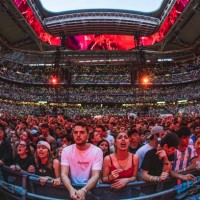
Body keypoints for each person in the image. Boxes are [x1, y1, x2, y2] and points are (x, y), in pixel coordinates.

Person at [61, 121, 103, 200]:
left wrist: (84, 190)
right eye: (75, 132)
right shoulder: (66, 150)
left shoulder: (97, 151)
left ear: (87, 135)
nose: (78, 135)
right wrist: (70, 189)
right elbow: (64, 174)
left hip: (92, 190)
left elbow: (96, 175)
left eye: (82, 132)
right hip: (72, 188)